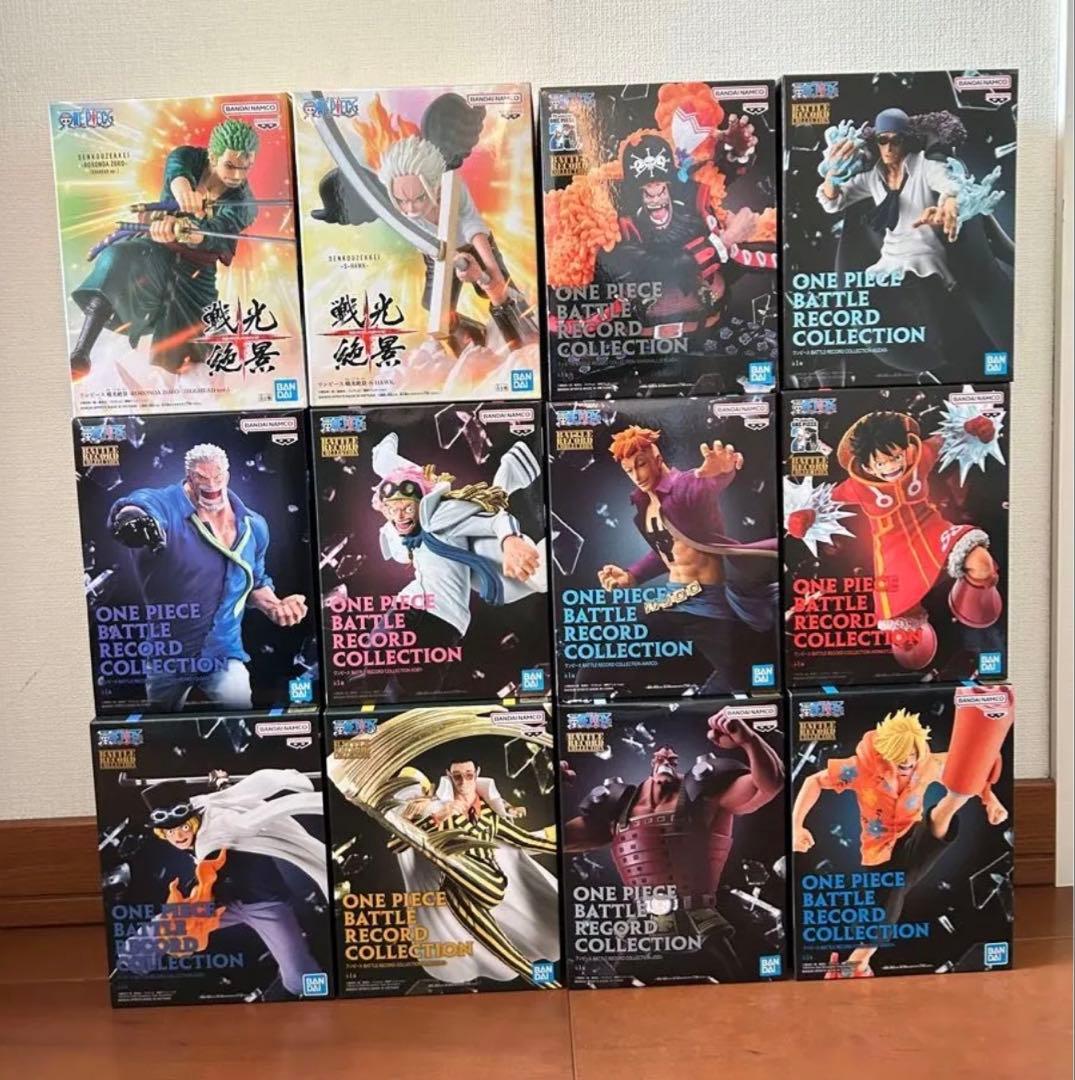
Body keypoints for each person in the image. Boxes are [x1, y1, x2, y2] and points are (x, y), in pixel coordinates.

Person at [562, 711, 785, 978]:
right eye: (660, 757)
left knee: (734, 979)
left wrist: (749, 741)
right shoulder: (618, 807)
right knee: (614, 986)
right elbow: (556, 841)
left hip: (700, 916)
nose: (665, 759)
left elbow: (769, 785)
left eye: (671, 758)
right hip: (642, 923)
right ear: (652, 762)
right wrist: (553, 791)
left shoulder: (706, 795)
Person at [791, 707, 1008, 978]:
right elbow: (814, 781)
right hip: (877, 853)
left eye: (912, 756)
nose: (907, 762)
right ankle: (859, 962)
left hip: (913, 835)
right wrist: (796, 825)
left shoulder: (928, 764)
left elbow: (970, 768)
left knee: (934, 825)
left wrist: (990, 799)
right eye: (900, 758)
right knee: (892, 886)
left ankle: (953, 802)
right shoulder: (861, 769)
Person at [108, 443, 307, 708]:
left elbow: (255, 581)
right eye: (202, 477)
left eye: (217, 476)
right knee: (162, 723)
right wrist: (134, 517)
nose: (211, 484)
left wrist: (276, 606)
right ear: (190, 478)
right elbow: (140, 503)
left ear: (227, 475)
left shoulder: (254, 526)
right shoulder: (166, 505)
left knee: (240, 715)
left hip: (223, 652)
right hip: (169, 654)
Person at [70, 119, 261, 377]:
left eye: (245, 168)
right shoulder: (189, 157)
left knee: (183, 356)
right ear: (213, 157)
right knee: (117, 258)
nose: (237, 176)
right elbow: (176, 169)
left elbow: (218, 231)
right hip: (157, 248)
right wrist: (183, 192)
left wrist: (190, 231)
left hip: (195, 274)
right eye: (230, 165)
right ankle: (81, 353)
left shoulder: (245, 203)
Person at [596, 425, 777, 693]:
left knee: (746, 684)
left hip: (707, 605)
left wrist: (720, 471)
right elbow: (667, 551)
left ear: (657, 459)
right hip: (673, 598)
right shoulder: (646, 505)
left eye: (641, 465)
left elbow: (701, 485)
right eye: (628, 470)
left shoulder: (682, 486)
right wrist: (632, 575)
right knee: (603, 658)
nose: (636, 476)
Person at [132, 768, 327, 1000]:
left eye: (183, 827)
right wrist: (221, 783)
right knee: (168, 923)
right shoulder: (207, 808)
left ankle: (303, 994)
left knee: (299, 978)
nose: (178, 836)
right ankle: (131, 961)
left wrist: (308, 798)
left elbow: (253, 814)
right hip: (224, 905)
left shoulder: (219, 828)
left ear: (193, 821)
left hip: (264, 905)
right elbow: (232, 797)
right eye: (170, 832)